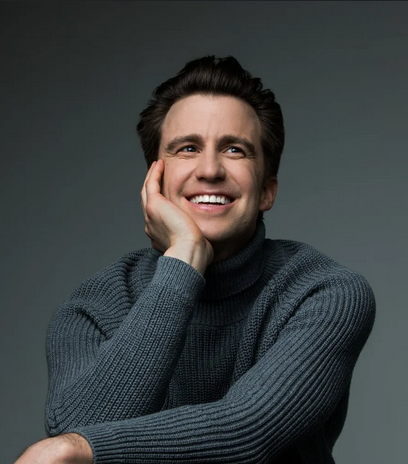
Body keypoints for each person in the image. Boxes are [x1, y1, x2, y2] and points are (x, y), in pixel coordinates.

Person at [15, 55, 375, 464]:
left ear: (267, 191)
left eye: (235, 149)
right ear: (155, 181)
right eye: (188, 148)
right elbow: (76, 432)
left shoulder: (325, 292)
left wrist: (83, 448)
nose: (209, 170)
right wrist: (183, 264)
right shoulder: (93, 307)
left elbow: (248, 431)